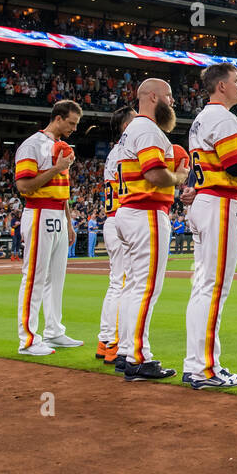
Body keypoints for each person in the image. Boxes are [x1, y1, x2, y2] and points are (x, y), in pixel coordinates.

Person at [180, 62, 237, 390]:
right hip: (220, 204)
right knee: (214, 288)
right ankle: (205, 368)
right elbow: (236, 165)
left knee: (204, 287)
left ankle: (196, 363)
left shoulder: (201, 118)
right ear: (221, 86)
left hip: (205, 201)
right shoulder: (223, 117)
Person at [111, 78, 185, 381]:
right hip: (146, 212)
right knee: (146, 288)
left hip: (129, 212)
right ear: (153, 97)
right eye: (169, 96)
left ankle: (127, 351)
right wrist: (179, 177)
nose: (173, 102)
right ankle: (138, 358)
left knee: (133, 287)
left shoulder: (133, 130)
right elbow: (154, 174)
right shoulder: (148, 129)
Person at [14, 100, 84, 355]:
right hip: (39, 211)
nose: (74, 129)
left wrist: (68, 221)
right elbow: (23, 187)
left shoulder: (61, 147)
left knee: (56, 278)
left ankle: (54, 331)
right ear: (58, 118)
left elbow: (62, 190)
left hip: (57, 214)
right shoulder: (32, 145)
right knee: (34, 276)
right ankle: (28, 340)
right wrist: (57, 168)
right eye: (71, 123)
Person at [95, 106, 133, 365]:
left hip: (112, 220)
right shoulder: (127, 148)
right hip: (123, 219)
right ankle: (115, 344)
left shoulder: (113, 152)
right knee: (125, 284)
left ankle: (105, 339)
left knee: (115, 283)